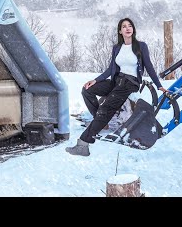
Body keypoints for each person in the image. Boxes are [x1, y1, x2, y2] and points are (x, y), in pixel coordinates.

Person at [65, 17, 169, 156]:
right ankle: (102, 122)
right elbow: (110, 69)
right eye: (124, 26)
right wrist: (95, 80)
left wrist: (159, 86)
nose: (127, 28)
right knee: (87, 90)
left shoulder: (140, 46)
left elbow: (149, 67)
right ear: (120, 31)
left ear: (133, 29)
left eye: (130, 26)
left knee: (106, 108)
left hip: (129, 84)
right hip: (116, 82)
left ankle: (83, 144)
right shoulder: (117, 48)